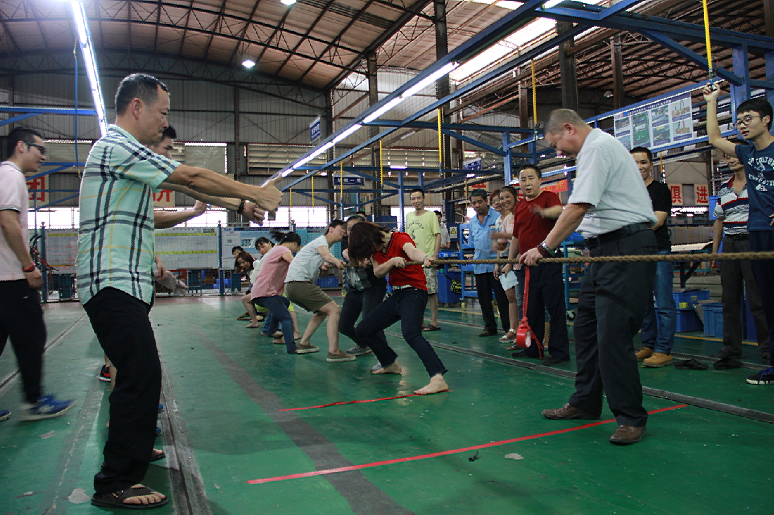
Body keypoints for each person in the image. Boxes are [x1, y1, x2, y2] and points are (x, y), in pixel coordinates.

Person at [78, 73, 282, 509]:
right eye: (163, 112)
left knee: (138, 373)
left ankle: (130, 451)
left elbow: (187, 186)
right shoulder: (116, 145)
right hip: (110, 280)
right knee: (141, 373)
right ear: (137, 107)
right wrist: (254, 191)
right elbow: (191, 173)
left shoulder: (127, 156)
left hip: (122, 282)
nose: (164, 123)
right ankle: (114, 481)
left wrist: (240, 205)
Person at [522, 108, 657, 445]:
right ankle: (585, 401)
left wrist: (545, 247)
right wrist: (592, 243)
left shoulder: (597, 148)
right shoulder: (592, 152)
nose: (558, 152)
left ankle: (630, 417)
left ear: (569, 128)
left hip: (625, 249)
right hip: (607, 252)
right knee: (585, 328)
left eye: (557, 143)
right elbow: (595, 208)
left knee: (613, 335)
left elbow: (578, 206)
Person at [0, 127, 75, 423]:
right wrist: (28, 267)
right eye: (39, 149)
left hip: (4, 277)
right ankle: (35, 402)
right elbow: (7, 222)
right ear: (21, 146)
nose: (43, 156)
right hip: (10, 278)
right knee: (32, 335)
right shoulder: (10, 175)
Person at [704, 84, 774, 385]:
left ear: (766, 120)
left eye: (749, 118)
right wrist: (711, 102)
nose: (742, 124)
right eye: (739, 119)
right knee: (768, 301)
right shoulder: (746, 152)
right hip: (755, 231)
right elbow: (714, 138)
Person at [349, 222, 449, 395]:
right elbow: (378, 272)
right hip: (397, 295)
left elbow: (412, 252)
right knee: (363, 330)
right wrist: (392, 262)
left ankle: (438, 378)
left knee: (411, 334)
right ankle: (389, 363)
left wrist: (425, 257)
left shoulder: (399, 238)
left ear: (373, 237)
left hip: (414, 292)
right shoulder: (377, 251)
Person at [506, 165, 570, 365]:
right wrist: (509, 262)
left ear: (539, 180)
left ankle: (560, 352)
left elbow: (559, 211)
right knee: (531, 309)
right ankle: (533, 348)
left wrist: (543, 212)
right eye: (523, 180)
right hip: (527, 266)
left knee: (554, 308)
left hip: (548, 261)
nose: (527, 183)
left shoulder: (549, 197)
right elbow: (517, 236)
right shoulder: (520, 207)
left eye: (531, 178)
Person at [711, 153, 770, 362]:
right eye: (727, 157)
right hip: (730, 245)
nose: (731, 160)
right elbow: (719, 220)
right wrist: (715, 251)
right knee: (729, 299)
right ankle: (731, 349)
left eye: (735, 156)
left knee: (758, 298)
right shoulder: (724, 189)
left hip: (752, 243)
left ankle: (768, 348)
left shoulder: (758, 184)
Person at [631, 147, 676, 368]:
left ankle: (664, 349)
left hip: (658, 250)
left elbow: (657, 221)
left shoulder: (660, 190)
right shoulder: (626, 192)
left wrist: (630, 229)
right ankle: (648, 344)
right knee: (644, 303)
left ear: (651, 164)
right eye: (635, 163)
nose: (639, 167)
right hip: (635, 253)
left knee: (664, 302)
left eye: (643, 162)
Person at [285, 220, 354, 362]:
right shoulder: (320, 242)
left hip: (293, 286)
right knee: (334, 310)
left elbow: (320, 264)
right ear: (331, 229)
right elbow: (326, 255)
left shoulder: (321, 246)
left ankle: (304, 343)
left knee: (322, 311)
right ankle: (334, 352)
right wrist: (335, 261)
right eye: (342, 228)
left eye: (345, 230)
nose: (344, 232)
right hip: (299, 284)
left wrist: (322, 268)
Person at [339, 214, 388, 356]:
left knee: (371, 321)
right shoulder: (346, 241)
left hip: (373, 288)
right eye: (348, 229)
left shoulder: (372, 243)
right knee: (344, 326)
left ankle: (386, 357)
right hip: (354, 289)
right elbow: (346, 253)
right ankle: (363, 344)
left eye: (354, 228)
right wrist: (356, 258)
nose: (350, 232)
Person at [468, 189, 510, 337]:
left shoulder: (498, 216)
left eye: (480, 201)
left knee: (502, 298)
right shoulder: (472, 222)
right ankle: (489, 326)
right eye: (474, 203)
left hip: (496, 264)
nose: (477, 205)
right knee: (484, 299)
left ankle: (508, 327)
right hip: (479, 265)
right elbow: (472, 243)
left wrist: (500, 262)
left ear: (486, 201)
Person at [251, 232, 303, 353]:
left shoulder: (276, 249)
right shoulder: (283, 249)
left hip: (263, 292)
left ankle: (271, 330)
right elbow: (293, 262)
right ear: (295, 244)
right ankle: (292, 348)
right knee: (286, 318)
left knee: (284, 302)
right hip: (265, 293)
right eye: (297, 248)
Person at [405, 188, 442, 331]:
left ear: (423, 199)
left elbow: (437, 235)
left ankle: (434, 322)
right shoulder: (408, 216)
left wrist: (435, 255)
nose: (416, 201)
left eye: (419, 198)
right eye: (413, 198)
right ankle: (419, 321)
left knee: (431, 292)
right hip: (413, 261)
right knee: (415, 293)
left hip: (427, 259)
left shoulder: (431, 216)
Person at [491, 187, 521, 342]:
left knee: (522, 298)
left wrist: (502, 237)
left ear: (515, 197)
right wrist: (497, 245)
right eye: (501, 199)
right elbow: (502, 244)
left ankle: (525, 331)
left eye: (506, 197)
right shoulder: (504, 220)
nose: (503, 202)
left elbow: (519, 237)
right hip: (509, 261)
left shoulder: (521, 214)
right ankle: (513, 329)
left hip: (522, 260)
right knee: (511, 297)